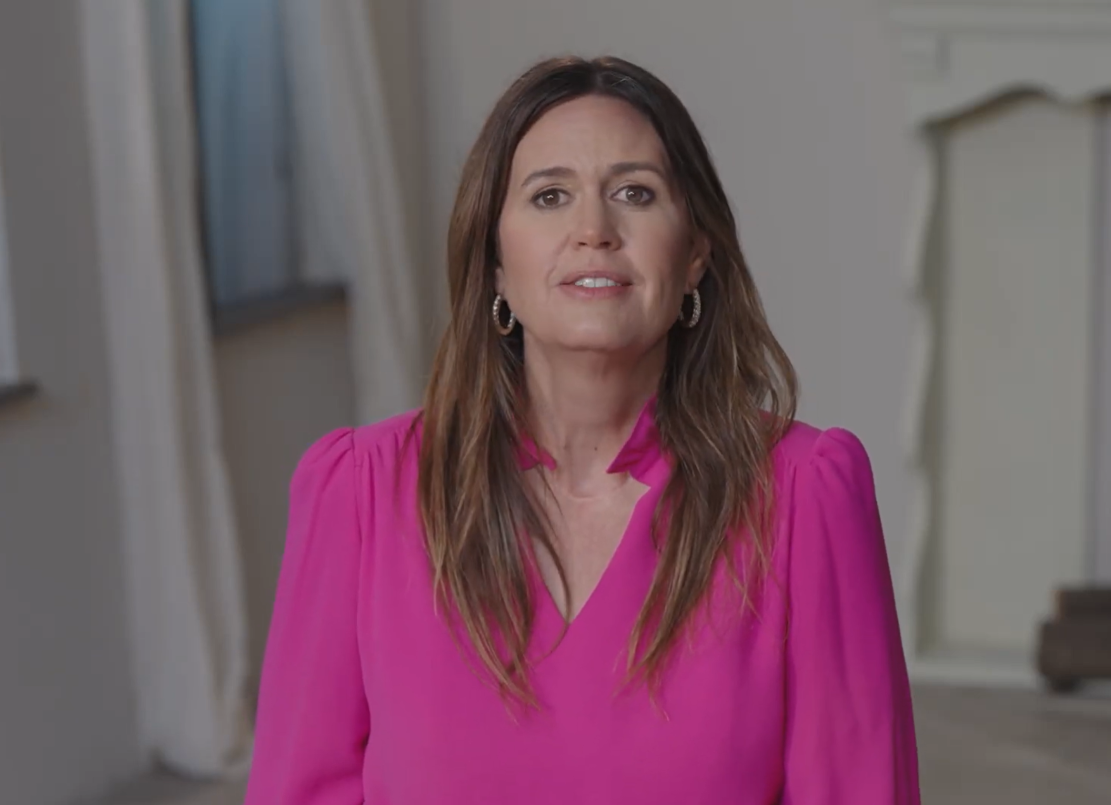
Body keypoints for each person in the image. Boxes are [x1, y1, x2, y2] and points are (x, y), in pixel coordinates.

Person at [245, 55, 921, 804]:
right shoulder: (361, 493)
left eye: (635, 192)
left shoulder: (805, 497)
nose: (593, 229)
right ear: (495, 262)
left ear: (696, 253)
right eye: (550, 196)